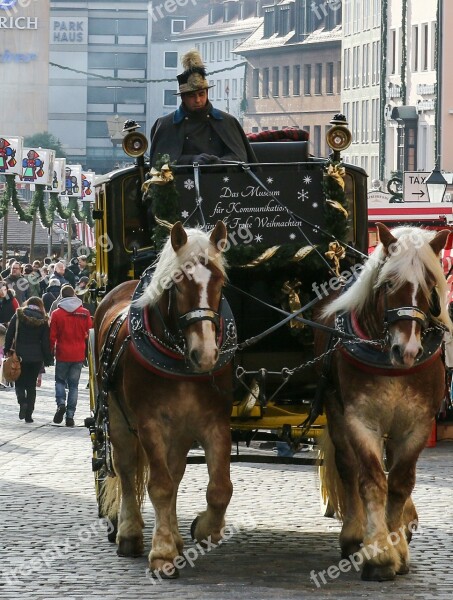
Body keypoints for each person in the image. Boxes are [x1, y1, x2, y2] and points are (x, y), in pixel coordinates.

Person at [149, 49, 256, 167]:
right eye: (192, 96)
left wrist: (220, 163)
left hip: (222, 182)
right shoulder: (166, 125)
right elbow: (160, 164)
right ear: (183, 97)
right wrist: (191, 160)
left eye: (201, 94)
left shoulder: (227, 122)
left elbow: (240, 157)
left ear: (207, 93)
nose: (198, 100)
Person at [4, 297, 53, 423]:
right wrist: (48, 358)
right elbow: (45, 342)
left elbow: (10, 332)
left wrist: (6, 348)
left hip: (20, 355)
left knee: (19, 382)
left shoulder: (19, 315)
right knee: (31, 385)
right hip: (36, 357)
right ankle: (29, 414)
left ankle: (22, 402)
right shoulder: (43, 319)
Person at [49, 284, 91, 427]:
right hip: (78, 353)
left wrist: (50, 351)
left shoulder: (56, 314)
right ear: (74, 295)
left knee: (60, 381)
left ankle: (61, 403)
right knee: (74, 386)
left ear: (61, 296)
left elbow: (52, 336)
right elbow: (88, 333)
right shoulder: (85, 313)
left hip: (62, 352)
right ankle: (70, 416)